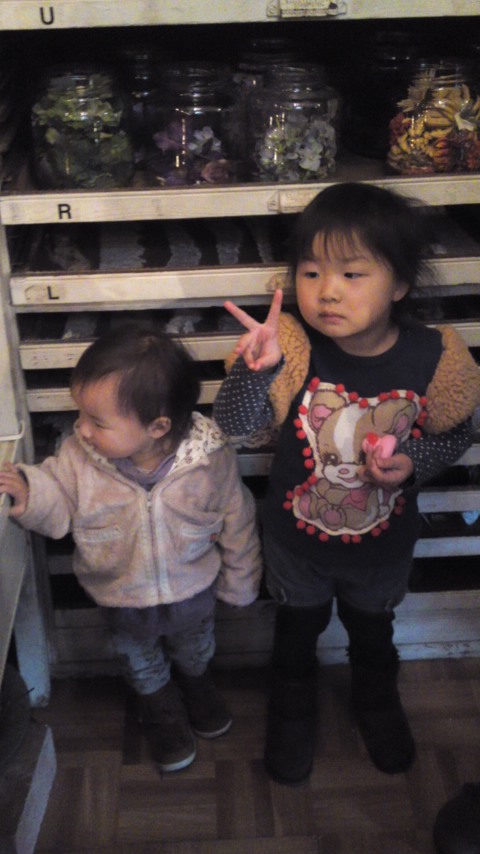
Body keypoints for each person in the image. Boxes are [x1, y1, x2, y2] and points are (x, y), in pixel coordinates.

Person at [213, 181, 480, 786]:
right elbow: (233, 425)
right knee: (294, 634)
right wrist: (254, 374)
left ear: (400, 285)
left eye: (352, 274)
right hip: (296, 543)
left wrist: (413, 460)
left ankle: (377, 702)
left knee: (373, 635)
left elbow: (457, 429)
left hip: (382, 548)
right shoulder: (289, 347)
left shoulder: (433, 355)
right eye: (311, 273)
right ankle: (292, 711)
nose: (327, 291)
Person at [0, 323, 262, 774]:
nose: (81, 429)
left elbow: (237, 517)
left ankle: (197, 685)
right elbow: (56, 498)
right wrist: (29, 493)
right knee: (139, 661)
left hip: (192, 591)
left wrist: (241, 580)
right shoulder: (79, 458)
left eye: (97, 421)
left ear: (158, 427)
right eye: (81, 415)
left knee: (196, 649)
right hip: (121, 596)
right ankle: (159, 706)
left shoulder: (208, 460)